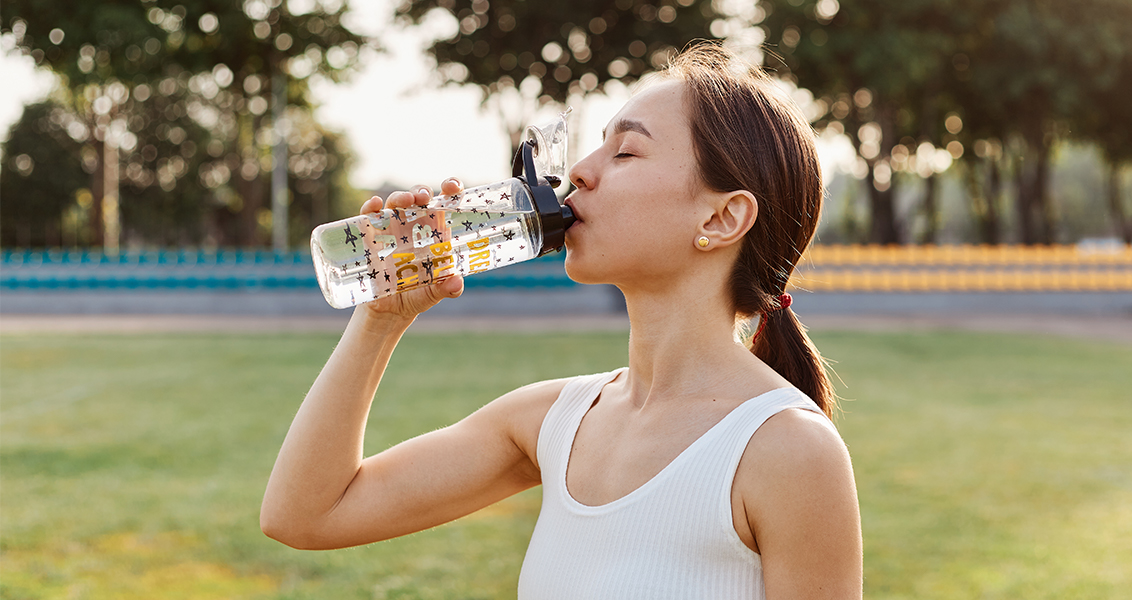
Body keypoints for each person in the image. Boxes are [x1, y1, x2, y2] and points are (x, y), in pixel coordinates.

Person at [261, 42, 862, 599]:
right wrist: (380, 321)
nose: (578, 172)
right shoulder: (551, 423)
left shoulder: (789, 452)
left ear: (722, 218)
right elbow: (306, 514)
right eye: (596, 146)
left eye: (625, 151)